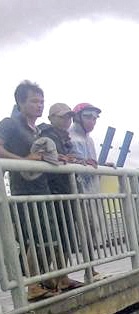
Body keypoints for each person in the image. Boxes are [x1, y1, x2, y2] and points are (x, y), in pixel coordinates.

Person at [0, 80, 58, 301]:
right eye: (34, 101)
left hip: (42, 188)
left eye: (42, 101)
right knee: (33, 237)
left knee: (48, 237)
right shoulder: (10, 124)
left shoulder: (38, 130)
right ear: (20, 102)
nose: (39, 105)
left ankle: (47, 281)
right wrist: (23, 161)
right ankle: (32, 286)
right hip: (24, 190)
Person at [36, 103, 83, 291]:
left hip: (65, 192)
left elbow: (66, 158)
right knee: (52, 238)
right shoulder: (47, 135)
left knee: (65, 237)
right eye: (63, 116)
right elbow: (50, 159)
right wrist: (64, 159)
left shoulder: (64, 138)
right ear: (52, 118)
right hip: (54, 192)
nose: (67, 120)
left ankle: (62, 276)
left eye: (69, 117)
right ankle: (45, 279)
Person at [69, 102, 105, 281]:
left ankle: (91, 269)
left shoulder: (89, 140)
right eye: (88, 117)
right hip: (76, 191)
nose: (92, 121)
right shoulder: (70, 137)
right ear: (77, 117)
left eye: (94, 118)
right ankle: (84, 271)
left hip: (90, 192)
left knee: (90, 230)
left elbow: (93, 163)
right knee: (78, 232)